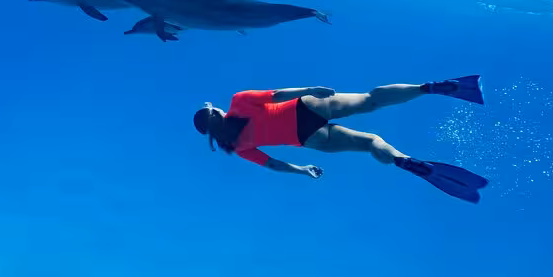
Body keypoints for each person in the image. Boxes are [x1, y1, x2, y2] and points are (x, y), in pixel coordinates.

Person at [193, 75, 489, 203]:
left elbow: (272, 164)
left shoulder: (237, 146)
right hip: (305, 106)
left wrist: (303, 169)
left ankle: (402, 160)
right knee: (371, 100)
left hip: (307, 138)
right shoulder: (238, 101)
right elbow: (277, 95)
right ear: (215, 111)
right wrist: (309, 88)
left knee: (370, 142)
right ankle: (429, 87)